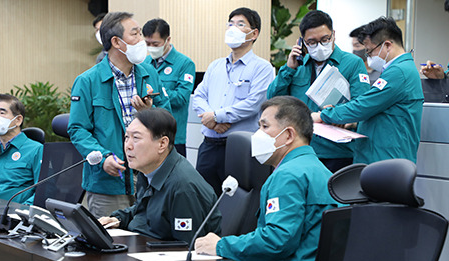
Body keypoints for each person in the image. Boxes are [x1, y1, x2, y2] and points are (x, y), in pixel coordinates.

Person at [194, 96, 339, 261]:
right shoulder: (318, 169)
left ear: (288, 135)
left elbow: (276, 240)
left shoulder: (288, 175)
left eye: (265, 126)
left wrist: (220, 246)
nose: (257, 134)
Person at [68, 12, 171, 218]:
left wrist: (148, 114)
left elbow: (168, 119)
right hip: (108, 181)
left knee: (145, 241)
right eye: (135, 34)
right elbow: (78, 129)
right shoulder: (88, 81)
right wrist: (103, 157)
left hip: (149, 179)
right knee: (109, 243)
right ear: (116, 42)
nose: (142, 40)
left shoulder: (149, 74)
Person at [267, 10, 370, 173]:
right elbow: (272, 101)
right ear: (302, 42)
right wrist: (288, 69)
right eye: (312, 42)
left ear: (333, 35)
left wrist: (343, 117)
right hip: (299, 150)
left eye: (325, 39)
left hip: (335, 153)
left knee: (330, 197)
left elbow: (362, 105)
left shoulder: (352, 64)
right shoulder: (297, 67)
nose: (320, 46)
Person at [312, 17, 423, 164]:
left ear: (387, 45)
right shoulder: (399, 70)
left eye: (370, 51)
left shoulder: (399, 72)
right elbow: (380, 112)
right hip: (382, 157)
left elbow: (363, 105)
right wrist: (351, 123)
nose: (368, 57)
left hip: (387, 159)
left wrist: (324, 115)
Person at [99, 108, 221, 242]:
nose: (128, 145)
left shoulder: (183, 187)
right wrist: (118, 219)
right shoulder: (148, 170)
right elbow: (146, 210)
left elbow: (187, 247)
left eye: (136, 138)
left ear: (162, 144)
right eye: (126, 137)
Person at [193, 7, 274, 195]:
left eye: (240, 24)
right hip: (209, 144)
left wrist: (216, 116)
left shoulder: (262, 68)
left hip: (239, 148)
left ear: (254, 33)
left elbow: (254, 103)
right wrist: (212, 122)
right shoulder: (215, 66)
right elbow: (199, 96)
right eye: (230, 24)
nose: (232, 28)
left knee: (237, 200)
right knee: (203, 197)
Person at [0, 93, 43, 204]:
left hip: (15, 216)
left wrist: (23, 212)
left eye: (2, 112)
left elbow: (43, 190)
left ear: (18, 120)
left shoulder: (36, 150)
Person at [142, 18, 196, 157]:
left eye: (155, 44)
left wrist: (157, 93)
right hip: (148, 132)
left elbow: (181, 98)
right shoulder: (145, 63)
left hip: (173, 135)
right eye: (147, 43)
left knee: (174, 177)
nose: (151, 47)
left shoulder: (185, 63)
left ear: (167, 40)